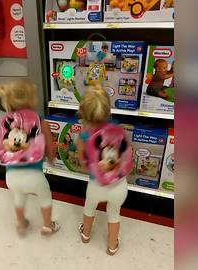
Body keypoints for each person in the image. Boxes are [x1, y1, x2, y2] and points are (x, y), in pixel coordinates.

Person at [0, 80, 60, 236]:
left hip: (11, 177)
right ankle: (48, 226)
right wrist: (51, 159)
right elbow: (50, 149)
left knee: (18, 195)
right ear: (32, 100)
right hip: (34, 176)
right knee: (45, 196)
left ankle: (21, 224)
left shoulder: (5, 122)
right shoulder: (41, 121)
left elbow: (0, 149)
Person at [75, 84, 131, 255]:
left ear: (83, 114)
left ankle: (85, 235)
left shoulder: (84, 136)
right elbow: (128, 152)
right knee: (114, 214)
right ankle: (112, 246)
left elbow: (82, 160)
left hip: (96, 185)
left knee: (89, 208)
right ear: (109, 111)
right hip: (119, 185)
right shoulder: (119, 130)